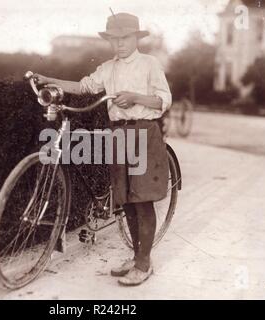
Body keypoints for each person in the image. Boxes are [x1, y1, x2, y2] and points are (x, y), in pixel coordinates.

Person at [34, 12, 172, 286]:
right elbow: (84, 87)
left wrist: (135, 97)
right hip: (118, 134)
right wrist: (48, 79)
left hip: (143, 133)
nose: (120, 44)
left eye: (125, 38)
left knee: (142, 201)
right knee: (127, 202)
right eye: (114, 39)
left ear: (136, 38)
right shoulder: (108, 68)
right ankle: (136, 257)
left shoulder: (149, 64)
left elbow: (163, 100)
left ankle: (144, 264)